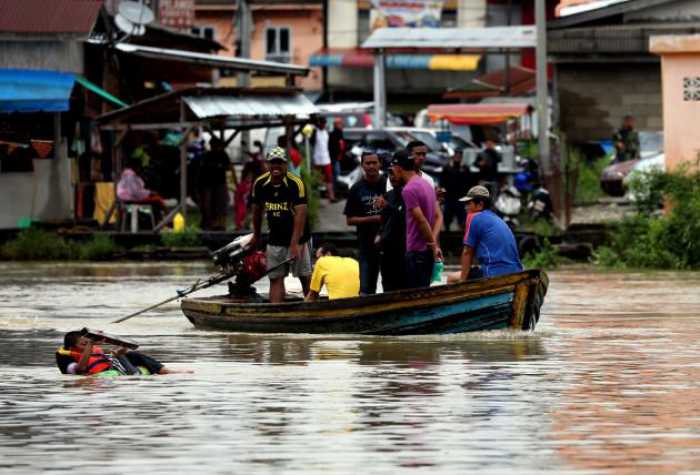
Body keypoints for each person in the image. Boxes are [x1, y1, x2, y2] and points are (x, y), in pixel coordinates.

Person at [250, 147, 312, 303]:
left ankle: (312, 308)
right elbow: (257, 212)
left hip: (299, 238)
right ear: (267, 164)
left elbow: (301, 214)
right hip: (275, 239)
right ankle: (275, 311)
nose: (276, 166)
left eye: (280, 163)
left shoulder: (296, 183)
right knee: (276, 278)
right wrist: (256, 236)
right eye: (272, 163)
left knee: (304, 276)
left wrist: (294, 244)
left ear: (286, 164)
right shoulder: (260, 183)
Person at [392, 150, 443, 289]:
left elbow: (421, 220)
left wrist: (433, 245)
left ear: (398, 168)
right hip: (426, 252)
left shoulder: (408, 190)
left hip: (416, 252)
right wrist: (434, 244)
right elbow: (439, 217)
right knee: (423, 294)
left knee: (414, 296)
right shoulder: (426, 184)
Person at [451, 185, 523, 282]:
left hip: (494, 273)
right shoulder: (496, 218)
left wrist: (462, 281)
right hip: (516, 272)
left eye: (469, 203)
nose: (465, 207)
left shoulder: (474, 217)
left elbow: (467, 252)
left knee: (452, 278)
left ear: (480, 205)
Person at [343, 152, 387, 295]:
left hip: (389, 245)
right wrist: (373, 219)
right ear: (362, 166)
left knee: (391, 287)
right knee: (366, 289)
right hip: (366, 245)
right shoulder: (356, 188)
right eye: (368, 163)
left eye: (374, 163)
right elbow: (350, 220)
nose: (371, 166)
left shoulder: (389, 184)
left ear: (380, 164)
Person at [56, 331, 183, 376]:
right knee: (126, 360)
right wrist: (90, 345)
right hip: (100, 373)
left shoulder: (91, 349)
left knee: (134, 355)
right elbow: (81, 368)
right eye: (83, 344)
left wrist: (120, 351)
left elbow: (105, 359)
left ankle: (165, 370)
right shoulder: (65, 358)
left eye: (88, 343)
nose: (89, 345)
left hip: (110, 368)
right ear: (73, 347)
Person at [378, 166, 406, 292]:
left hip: (403, 248)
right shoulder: (388, 195)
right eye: (390, 174)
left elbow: (406, 217)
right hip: (388, 247)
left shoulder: (408, 194)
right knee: (387, 284)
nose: (392, 177)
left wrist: (388, 207)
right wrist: (380, 235)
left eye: (394, 174)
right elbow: (384, 220)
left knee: (402, 283)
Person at [116, 157, 166, 222]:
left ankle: (162, 220)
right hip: (131, 200)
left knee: (157, 200)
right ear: (136, 167)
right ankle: (165, 221)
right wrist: (150, 193)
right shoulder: (130, 176)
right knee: (157, 200)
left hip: (129, 199)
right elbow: (136, 192)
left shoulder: (128, 175)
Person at [198, 137, 231, 231]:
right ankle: (211, 224)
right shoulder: (207, 155)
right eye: (212, 144)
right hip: (208, 184)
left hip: (220, 183)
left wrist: (218, 166)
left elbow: (228, 167)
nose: (213, 146)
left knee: (221, 204)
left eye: (215, 145)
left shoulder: (222, 154)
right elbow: (202, 169)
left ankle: (221, 224)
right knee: (209, 205)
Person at [439, 148, 474, 231]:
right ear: (453, 156)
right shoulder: (447, 168)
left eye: (459, 156)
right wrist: (442, 195)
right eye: (456, 156)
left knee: (462, 221)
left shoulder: (465, 169)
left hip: (461, 198)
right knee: (447, 219)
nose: (457, 158)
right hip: (449, 198)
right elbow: (442, 183)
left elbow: (469, 183)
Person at [311, 117, 337, 202]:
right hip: (317, 158)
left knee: (329, 178)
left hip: (326, 158)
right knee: (316, 178)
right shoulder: (315, 132)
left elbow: (329, 144)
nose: (323, 125)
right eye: (321, 123)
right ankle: (316, 197)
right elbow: (311, 142)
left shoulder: (326, 132)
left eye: (324, 123)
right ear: (318, 123)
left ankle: (331, 196)